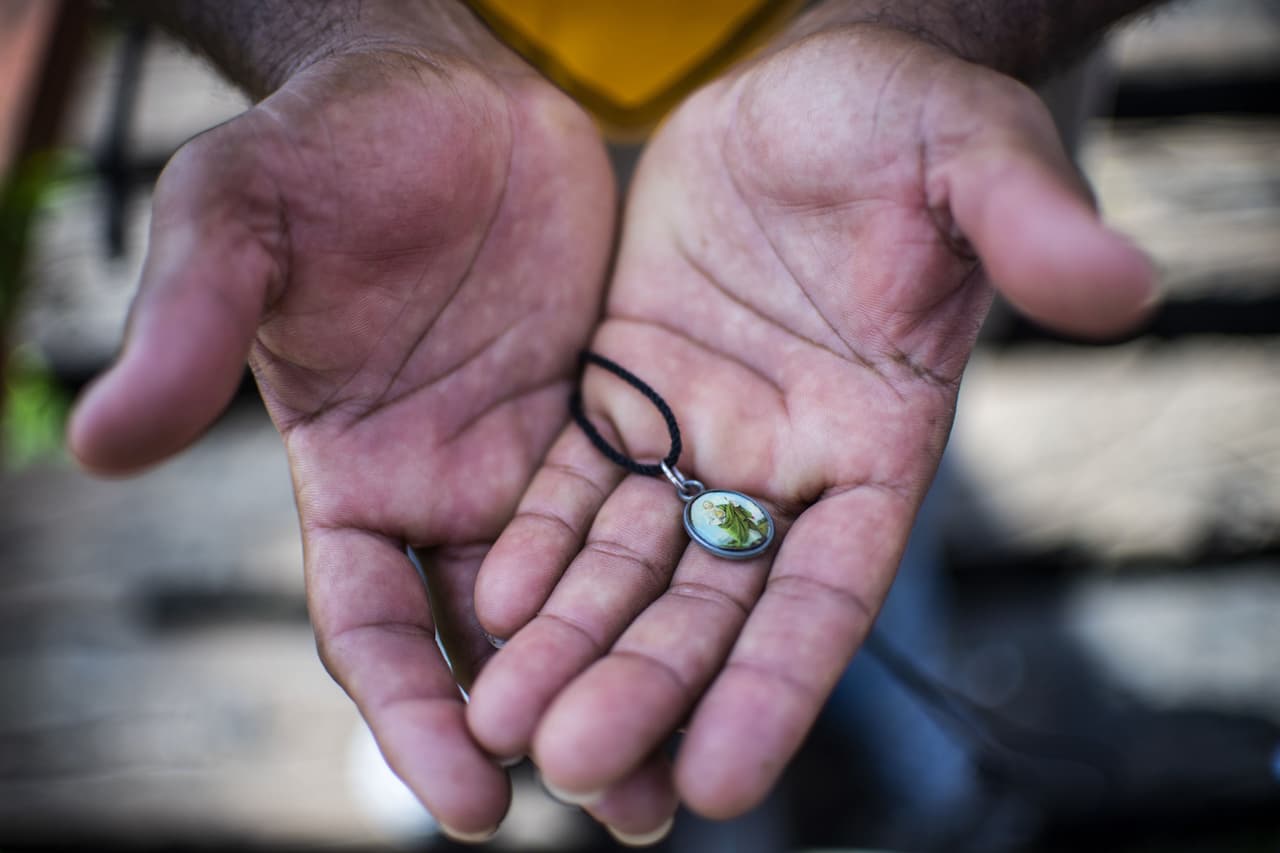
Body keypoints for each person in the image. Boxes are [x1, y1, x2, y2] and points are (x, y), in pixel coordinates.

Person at [70, 0, 1162, 844]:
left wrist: (932, 24)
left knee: (856, 434)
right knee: (430, 455)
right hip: (427, 184)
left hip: (863, 164)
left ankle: (876, 657)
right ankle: (468, 672)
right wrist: (341, 36)